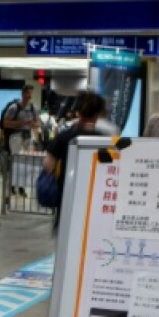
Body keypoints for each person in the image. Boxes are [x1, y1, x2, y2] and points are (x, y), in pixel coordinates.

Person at [43, 91, 112, 227]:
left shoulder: (65, 136)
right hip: (96, 198)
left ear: (78, 112)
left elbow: (48, 164)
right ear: (98, 114)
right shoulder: (105, 139)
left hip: (67, 196)